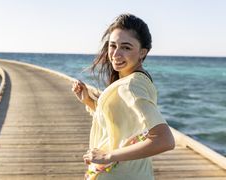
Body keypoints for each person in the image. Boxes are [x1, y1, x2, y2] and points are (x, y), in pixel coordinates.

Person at [71, 13, 175, 180]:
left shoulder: (131, 85)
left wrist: (107, 156)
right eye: (113, 46)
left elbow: (165, 140)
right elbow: (124, 121)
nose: (116, 54)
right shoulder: (139, 78)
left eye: (126, 47)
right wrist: (89, 102)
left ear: (142, 52)